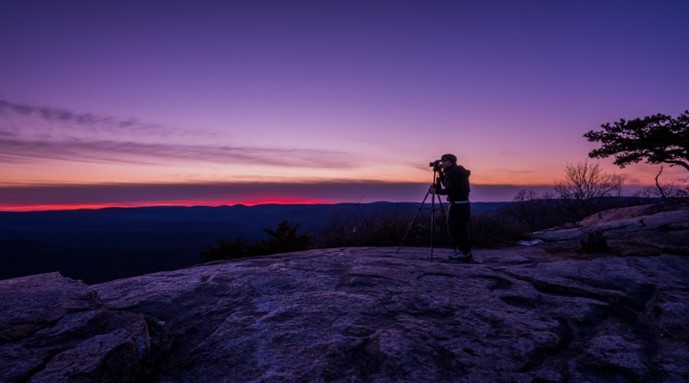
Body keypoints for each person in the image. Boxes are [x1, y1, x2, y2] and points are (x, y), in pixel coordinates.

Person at [429, 153, 473, 261]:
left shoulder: (454, 173)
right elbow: (447, 184)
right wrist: (439, 172)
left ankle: (464, 253)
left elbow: (450, 189)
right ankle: (466, 251)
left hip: (458, 205)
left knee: (454, 230)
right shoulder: (456, 171)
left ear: (448, 162)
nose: (441, 164)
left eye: (443, 162)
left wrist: (436, 191)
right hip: (462, 204)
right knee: (461, 230)